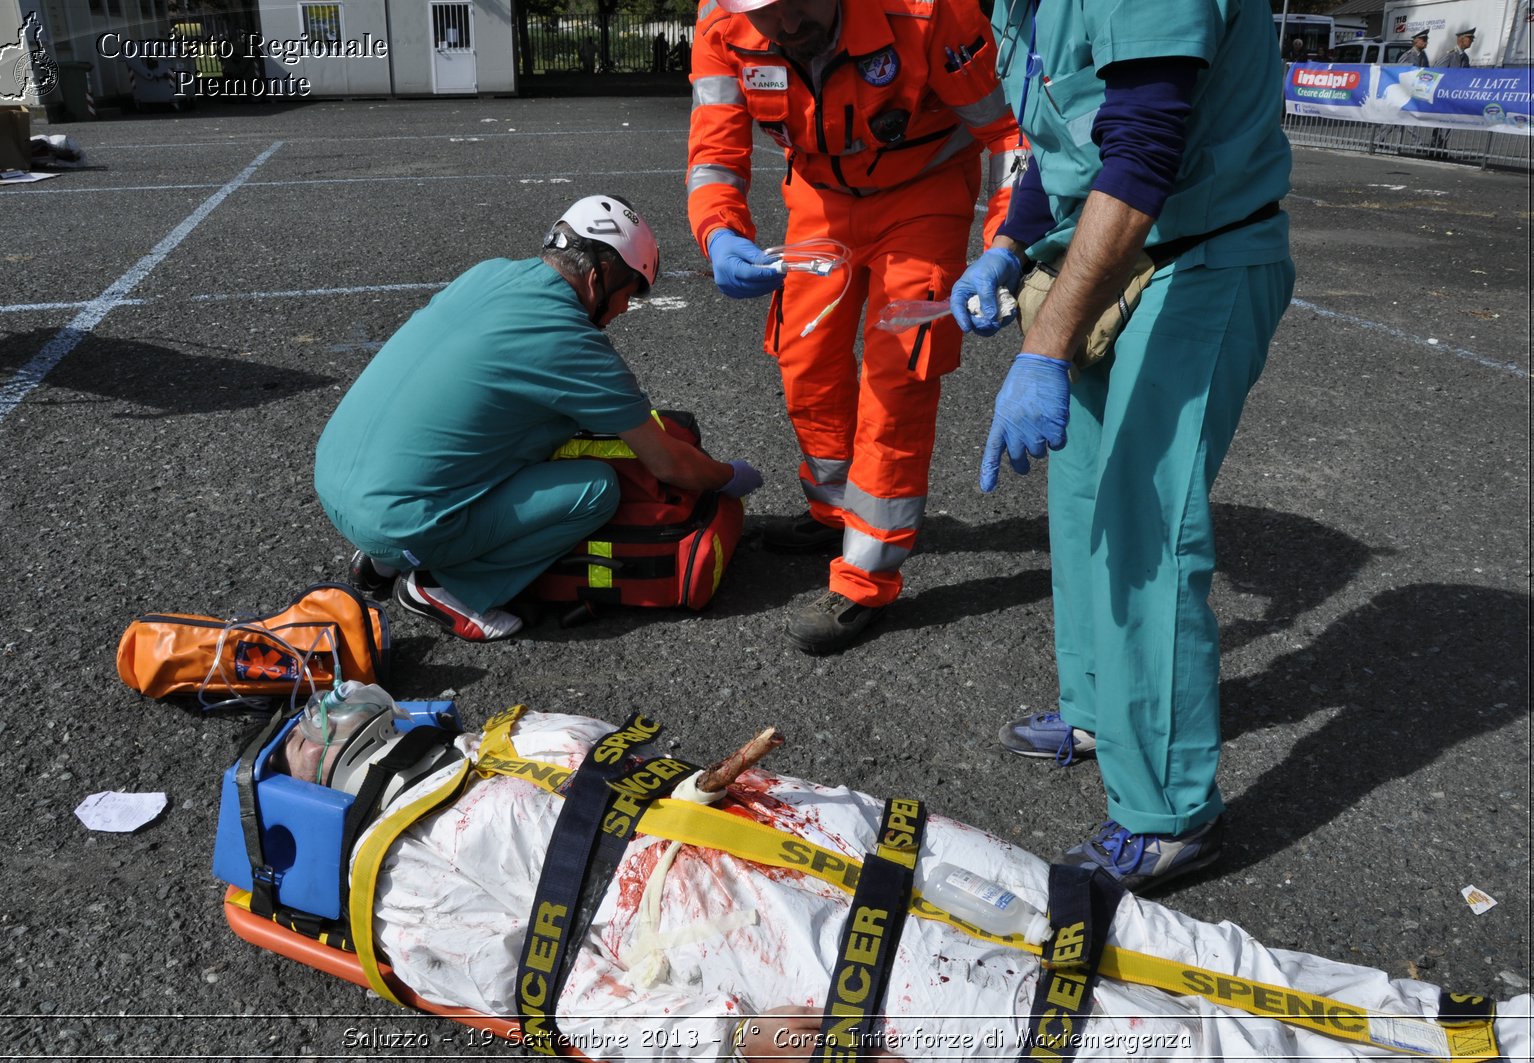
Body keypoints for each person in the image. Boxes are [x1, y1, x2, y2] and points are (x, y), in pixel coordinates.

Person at [255, 706, 1534, 1062]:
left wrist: (707, 783)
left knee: (1133, 930)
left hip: (830, 842)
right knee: (1128, 1028)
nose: (339, 726)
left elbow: (629, 788)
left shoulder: (492, 736)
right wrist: (728, 1042)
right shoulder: (407, 901)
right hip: (756, 949)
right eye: (328, 735)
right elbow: (562, 998)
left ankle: (1481, 1027)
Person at [948, 0, 1295, 894]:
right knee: (1082, 499)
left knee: (1148, 523)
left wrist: (1042, 345)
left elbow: (1144, 150)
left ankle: (1170, 814)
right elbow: (1066, 141)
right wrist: (1009, 245)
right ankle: (1103, 709)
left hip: (1199, 250)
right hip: (1109, 249)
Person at [685, 0, 1024, 654]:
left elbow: (1008, 134)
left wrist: (1004, 243)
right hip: (819, 196)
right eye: (766, 14)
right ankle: (835, 511)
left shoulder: (930, 13)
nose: (782, 27)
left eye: (793, 4)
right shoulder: (720, 23)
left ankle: (867, 573)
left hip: (922, 195)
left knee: (899, 381)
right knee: (803, 358)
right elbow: (714, 151)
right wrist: (720, 232)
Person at [313, 196, 762, 643]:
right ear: (598, 275)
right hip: (398, 522)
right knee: (595, 489)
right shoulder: (574, 342)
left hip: (334, 478)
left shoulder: (486, 273)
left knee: (508, 428)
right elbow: (668, 464)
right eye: (628, 293)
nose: (625, 309)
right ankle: (444, 587)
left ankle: (383, 561)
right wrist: (726, 477)